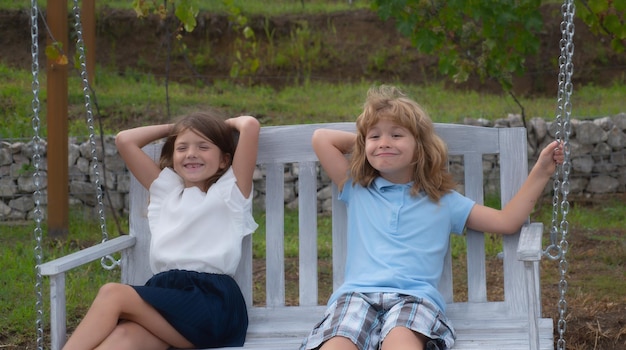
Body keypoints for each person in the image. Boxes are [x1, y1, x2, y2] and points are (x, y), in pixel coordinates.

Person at [301, 85, 564, 350]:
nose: (383, 142)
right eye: (375, 137)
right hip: (356, 297)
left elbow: (507, 221)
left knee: (402, 344)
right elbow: (321, 139)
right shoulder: (358, 188)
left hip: (413, 299)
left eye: (396, 135)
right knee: (336, 346)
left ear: (421, 148)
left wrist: (542, 171)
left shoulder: (444, 201)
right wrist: (368, 143)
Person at [62, 112, 260, 350]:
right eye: (182, 147)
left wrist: (223, 125)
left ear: (224, 161)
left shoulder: (229, 194)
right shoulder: (166, 192)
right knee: (124, 337)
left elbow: (250, 125)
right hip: (163, 300)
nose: (191, 153)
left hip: (209, 303)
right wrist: (177, 128)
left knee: (112, 294)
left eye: (203, 146)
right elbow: (125, 140)